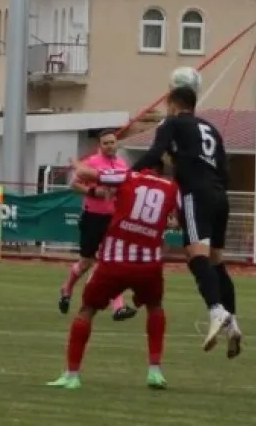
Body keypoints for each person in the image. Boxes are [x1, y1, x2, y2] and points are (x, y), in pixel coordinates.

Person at [133, 85, 241, 357]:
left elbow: (154, 153)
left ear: (172, 104)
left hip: (196, 193)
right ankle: (232, 323)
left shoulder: (170, 122)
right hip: (220, 195)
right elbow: (224, 169)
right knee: (216, 260)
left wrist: (128, 175)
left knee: (195, 255)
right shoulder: (210, 129)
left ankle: (216, 312)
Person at [47, 165, 177, 390]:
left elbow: (89, 175)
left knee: (87, 310)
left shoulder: (128, 178)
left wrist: (77, 163)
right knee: (155, 307)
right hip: (148, 264)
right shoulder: (172, 188)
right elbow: (178, 219)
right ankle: (155, 371)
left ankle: (72, 375)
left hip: (114, 259)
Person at [59, 129, 136, 321]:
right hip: (93, 217)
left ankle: (118, 307)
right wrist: (95, 193)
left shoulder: (121, 165)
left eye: (112, 142)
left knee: (109, 262)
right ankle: (67, 288)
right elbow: (74, 185)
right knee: (86, 263)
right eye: (106, 143)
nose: (110, 146)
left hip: (113, 219)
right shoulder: (92, 163)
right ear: (99, 146)